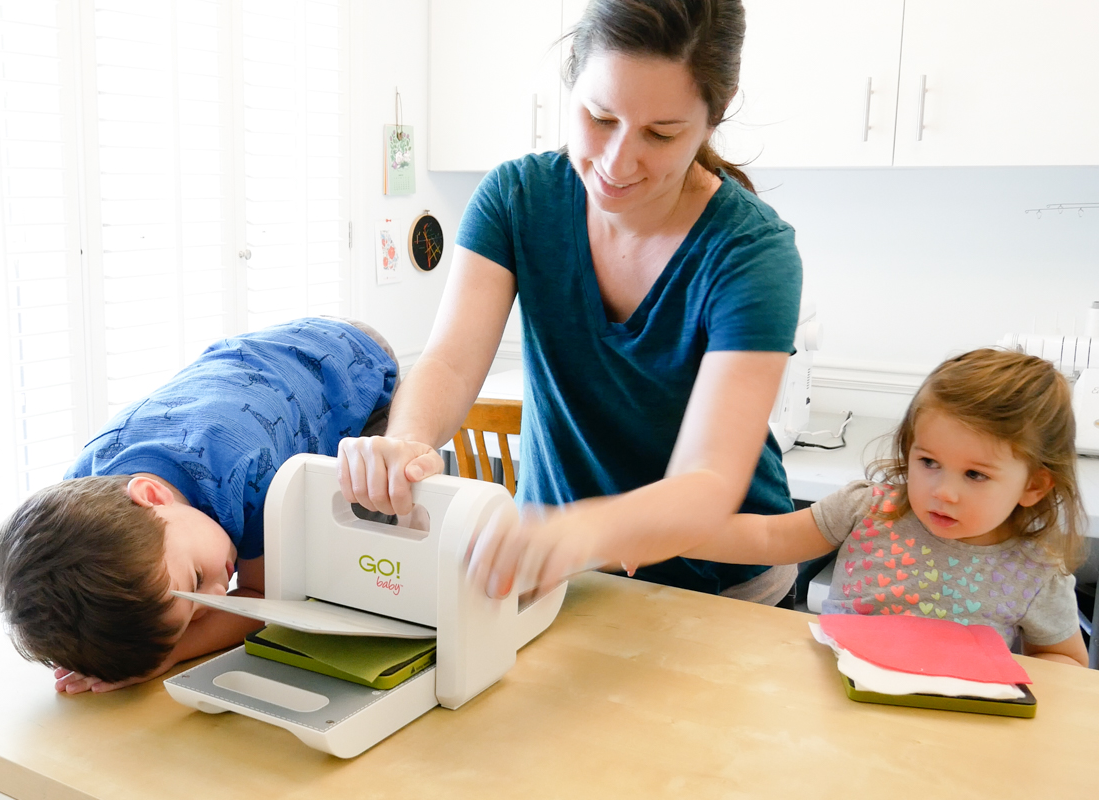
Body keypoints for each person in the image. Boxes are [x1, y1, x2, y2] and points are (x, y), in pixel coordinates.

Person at [338, 0, 804, 605]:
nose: (616, 162)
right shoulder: (517, 198)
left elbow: (708, 482)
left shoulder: (751, 253)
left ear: (714, 117)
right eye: (600, 117)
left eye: (661, 133)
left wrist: (579, 531)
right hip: (561, 578)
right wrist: (408, 442)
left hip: (723, 590)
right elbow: (451, 362)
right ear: (572, 80)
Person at [0, 317, 399, 693]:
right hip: (249, 373)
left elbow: (266, 600)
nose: (220, 590)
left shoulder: (251, 475)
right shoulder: (85, 498)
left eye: (197, 579)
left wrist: (178, 650)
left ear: (152, 496)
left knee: (369, 520)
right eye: (197, 611)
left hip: (355, 367)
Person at [678, 348, 1089, 667]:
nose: (943, 491)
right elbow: (771, 537)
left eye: (975, 475)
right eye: (929, 463)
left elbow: (1064, 658)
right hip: (836, 702)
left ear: (1033, 486)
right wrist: (669, 536)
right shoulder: (868, 508)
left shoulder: (1037, 568)